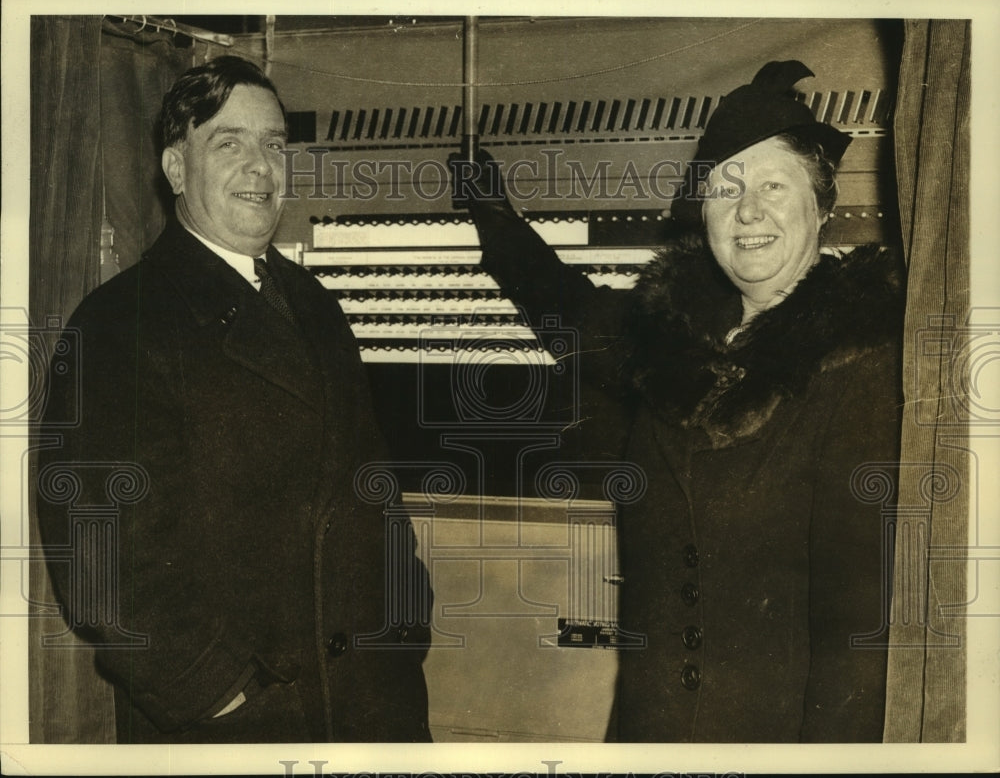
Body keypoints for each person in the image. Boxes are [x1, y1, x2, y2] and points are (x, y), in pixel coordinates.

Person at [458, 61, 905, 742]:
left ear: (822, 203)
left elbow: (858, 640)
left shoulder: (863, 369)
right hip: (651, 730)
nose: (748, 210)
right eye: (726, 190)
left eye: (773, 186)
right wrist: (492, 214)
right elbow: (566, 307)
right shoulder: (669, 339)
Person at [36, 55, 431, 744]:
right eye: (230, 142)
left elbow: (375, 489)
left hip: (372, 701)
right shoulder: (116, 324)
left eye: (274, 144)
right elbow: (100, 556)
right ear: (177, 169)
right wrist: (216, 692)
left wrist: (407, 620)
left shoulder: (315, 304)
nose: (261, 167)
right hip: (239, 721)